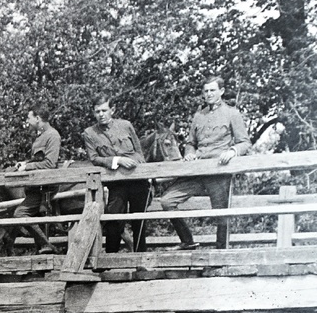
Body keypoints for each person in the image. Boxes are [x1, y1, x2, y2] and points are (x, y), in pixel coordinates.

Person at [155, 77, 250, 250]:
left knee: (221, 213)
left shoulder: (232, 113)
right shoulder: (199, 115)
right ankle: (187, 240)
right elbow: (191, 143)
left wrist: (232, 152)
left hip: (218, 170)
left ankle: (221, 252)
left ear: (221, 91)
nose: (209, 94)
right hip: (197, 169)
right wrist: (190, 153)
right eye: (206, 91)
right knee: (167, 201)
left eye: (212, 90)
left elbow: (244, 142)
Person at [81, 97, 149, 253]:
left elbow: (139, 152)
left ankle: (141, 259)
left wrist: (144, 172)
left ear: (113, 110)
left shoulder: (125, 125)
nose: (101, 114)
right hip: (115, 183)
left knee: (139, 220)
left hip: (137, 180)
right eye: (97, 111)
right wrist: (117, 160)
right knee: (113, 219)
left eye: (104, 110)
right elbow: (94, 159)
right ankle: (111, 258)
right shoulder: (90, 133)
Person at [0, 104, 62, 255]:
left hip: (45, 187)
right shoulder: (40, 137)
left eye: (28, 118)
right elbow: (38, 159)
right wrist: (25, 163)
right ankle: (44, 247)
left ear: (37, 118)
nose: (27, 121)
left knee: (20, 214)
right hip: (35, 187)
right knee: (24, 215)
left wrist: (27, 168)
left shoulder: (53, 135)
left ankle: (47, 246)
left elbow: (50, 163)